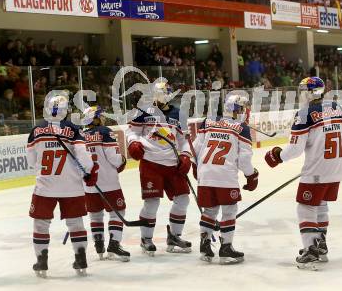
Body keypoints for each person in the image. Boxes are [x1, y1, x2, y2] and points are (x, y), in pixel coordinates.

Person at [265, 77, 342, 270]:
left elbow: (295, 150)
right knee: (321, 205)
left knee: (306, 207)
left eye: (303, 90)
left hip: (316, 171)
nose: (300, 94)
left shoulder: (304, 113)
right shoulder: (335, 106)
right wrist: (333, 152)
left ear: (310, 92)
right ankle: (321, 245)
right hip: (336, 168)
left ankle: (310, 249)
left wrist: (278, 157)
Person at [27, 95, 96, 277]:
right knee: (76, 224)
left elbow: (31, 161)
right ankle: (81, 258)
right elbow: (84, 158)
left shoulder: (36, 130)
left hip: (45, 186)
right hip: (71, 186)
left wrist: (44, 172)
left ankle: (41, 261)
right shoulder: (74, 129)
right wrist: (87, 173)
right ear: (65, 110)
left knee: (41, 225)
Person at [184, 94, 258, 264]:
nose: (245, 112)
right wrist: (252, 175)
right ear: (237, 110)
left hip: (206, 175)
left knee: (209, 211)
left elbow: (195, 149)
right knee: (229, 211)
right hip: (226, 177)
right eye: (243, 109)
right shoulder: (242, 128)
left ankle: (205, 244)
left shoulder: (208, 122)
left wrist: (196, 167)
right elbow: (244, 160)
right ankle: (226, 248)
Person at [126, 81, 192, 256]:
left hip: (172, 164)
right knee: (152, 202)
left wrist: (185, 155)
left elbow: (184, 140)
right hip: (151, 163)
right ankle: (146, 239)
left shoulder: (179, 114)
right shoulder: (143, 111)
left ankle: (175, 236)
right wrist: (133, 143)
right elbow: (131, 131)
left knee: (183, 199)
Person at [83, 106, 130, 261]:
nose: (103, 118)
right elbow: (114, 159)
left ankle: (99, 244)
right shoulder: (105, 131)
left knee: (95, 215)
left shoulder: (81, 135)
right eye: (100, 115)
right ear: (95, 118)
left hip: (89, 185)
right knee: (118, 212)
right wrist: (122, 160)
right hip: (109, 182)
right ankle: (114, 244)